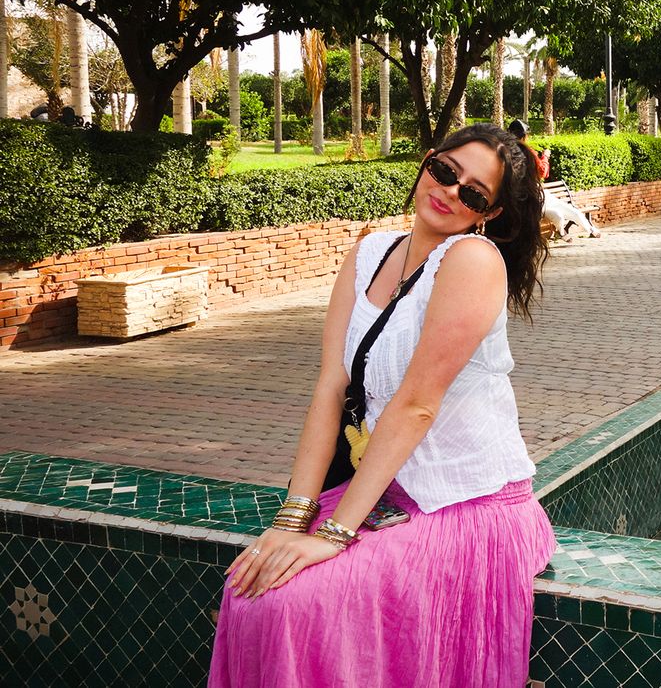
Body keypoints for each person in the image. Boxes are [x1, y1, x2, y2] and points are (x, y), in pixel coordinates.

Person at [210, 123, 555, 687]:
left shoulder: (472, 259)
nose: (450, 191)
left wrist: (330, 537)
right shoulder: (372, 251)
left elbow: (417, 405)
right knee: (250, 588)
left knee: (288, 604)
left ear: (486, 214)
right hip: (390, 492)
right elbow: (330, 383)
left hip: (469, 507)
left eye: (473, 193)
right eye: (446, 171)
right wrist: (292, 518)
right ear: (427, 162)